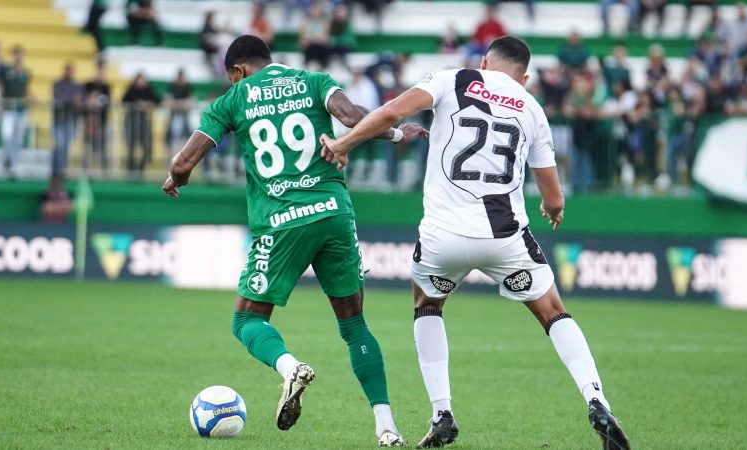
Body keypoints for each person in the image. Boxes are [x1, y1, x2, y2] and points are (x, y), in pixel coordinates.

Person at [320, 36, 631, 450]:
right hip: (505, 236)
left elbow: (390, 112)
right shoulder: (532, 108)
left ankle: (442, 412)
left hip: (443, 236)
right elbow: (553, 196)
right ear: (525, 77)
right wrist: (554, 211)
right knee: (553, 311)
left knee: (427, 304)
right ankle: (596, 399)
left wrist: (343, 144)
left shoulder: (452, 79)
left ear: (485, 61)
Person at [160, 35, 427, 446]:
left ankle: (290, 369)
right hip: (334, 212)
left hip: (282, 220)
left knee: (247, 320)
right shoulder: (313, 80)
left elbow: (183, 161)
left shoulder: (231, 99)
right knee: (355, 325)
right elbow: (355, 117)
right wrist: (397, 136)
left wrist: (176, 179)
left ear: (237, 70)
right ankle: (387, 426)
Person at [0, 46, 32, 177]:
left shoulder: (26, 73)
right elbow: (0, 87)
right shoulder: (6, 71)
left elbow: (26, 90)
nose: (18, 58)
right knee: (7, 136)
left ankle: (13, 163)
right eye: (16, 55)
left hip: (20, 109)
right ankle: (10, 161)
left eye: (20, 55)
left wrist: (30, 102)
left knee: (17, 138)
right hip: (8, 108)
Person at [122, 72, 160, 174]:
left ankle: (140, 169)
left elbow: (158, 100)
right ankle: (130, 171)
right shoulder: (131, 90)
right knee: (131, 148)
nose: (141, 82)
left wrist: (148, 104)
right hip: (131, 121)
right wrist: (136, 105)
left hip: (143, 122)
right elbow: (123, 101)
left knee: (147, 147)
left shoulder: (148, 90)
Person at [52, 62, 84, 179]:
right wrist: (72, 100)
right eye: (67, 70)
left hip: (72, 119)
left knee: (65, 146)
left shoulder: (77, 85)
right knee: (60, 145)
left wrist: (76, 101)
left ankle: (61, 168)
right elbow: (59, 97)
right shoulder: (57, 84)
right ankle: (57, 169)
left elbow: (81, 100)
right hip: (59, 119)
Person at [83, 62, 111, 172]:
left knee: (101, 148)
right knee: (87, 148)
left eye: (103, 72)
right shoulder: (87, 85)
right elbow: (84, 100)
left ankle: (100, 171)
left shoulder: (106, 87)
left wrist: (96, 101)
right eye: (99, 71)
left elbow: (106, 102)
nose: (100, 74)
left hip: (102, 121)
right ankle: (86, 171)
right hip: (88, 121)